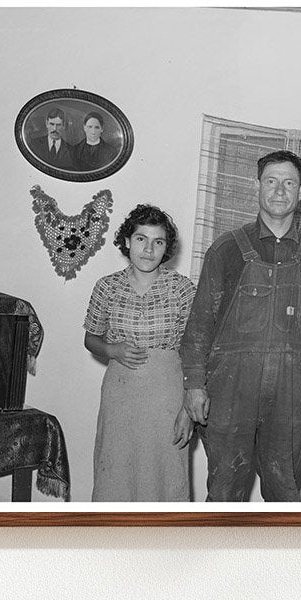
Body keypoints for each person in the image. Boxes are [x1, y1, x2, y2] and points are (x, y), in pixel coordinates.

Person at [179, 150, 301, 501]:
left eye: (289, 182)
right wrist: (193, 384)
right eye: (271, 181)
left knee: (284, 492)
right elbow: (200, 325)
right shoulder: (225, 250)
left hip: (289, 395)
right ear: (257, 186)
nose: (280, 190)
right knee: (224, 492)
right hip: (229, 392)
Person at [84, 204, 196, 501]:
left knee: (166, 475)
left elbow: (196, 352)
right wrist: (111, 349)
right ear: (127, 242)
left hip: (167, 396)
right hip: (121, 396)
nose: (148, 249)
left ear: (166, 248)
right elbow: (90, 339)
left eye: (158, 242)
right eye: (141, 239)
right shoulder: (107, 287)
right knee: (116, 474)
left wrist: (188, 410)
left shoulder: (182, 289)